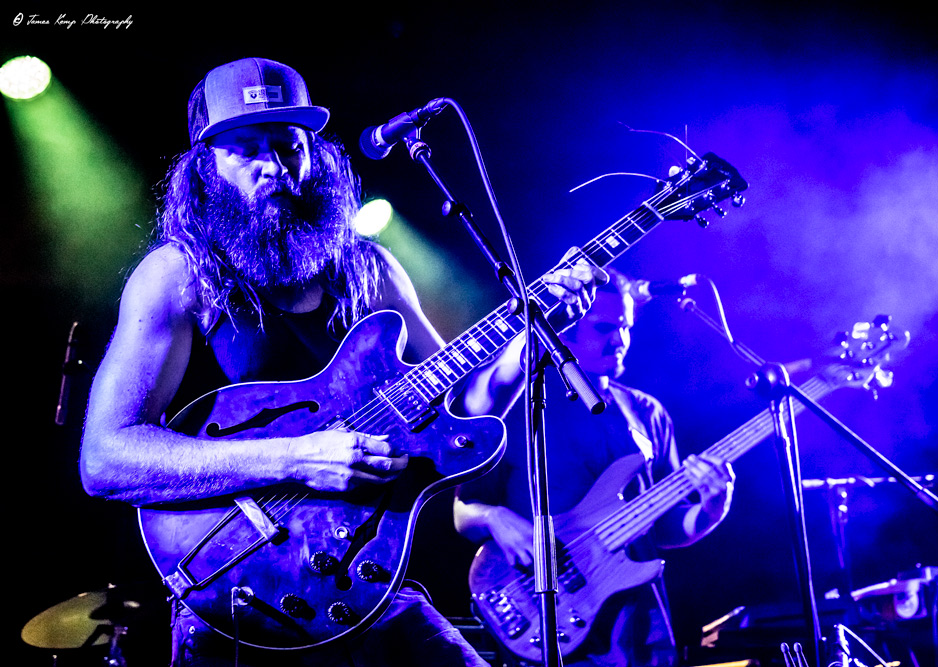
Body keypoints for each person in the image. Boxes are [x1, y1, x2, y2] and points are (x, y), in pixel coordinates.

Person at [79, 57, 602, 667]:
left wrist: (525, 355)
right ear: (205, 169)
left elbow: (458, 411)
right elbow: (106, 457)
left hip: (368, 580)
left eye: (288, 146)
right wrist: (297, 456)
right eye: (246, 149)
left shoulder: (368, 269)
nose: (273, 167)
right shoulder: (178, 276)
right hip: (237, 593)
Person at [455, 270, 735, 666]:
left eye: (625, 327)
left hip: (641, 624)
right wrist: (497, 517)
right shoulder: (521, 407)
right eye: (605, 328)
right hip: (544, 607)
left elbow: (663, 528)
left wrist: (710, 511)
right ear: (564, 331)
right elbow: (463, 512)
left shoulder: (647, 411)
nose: (619, 340)